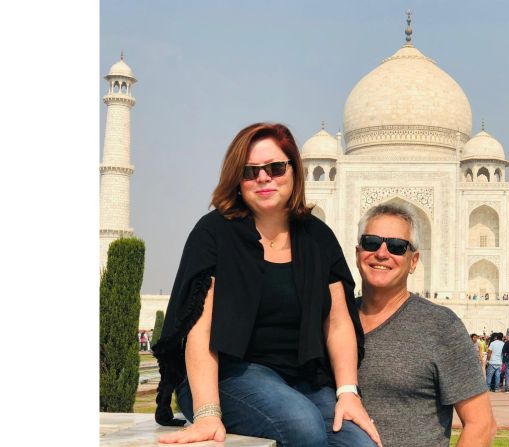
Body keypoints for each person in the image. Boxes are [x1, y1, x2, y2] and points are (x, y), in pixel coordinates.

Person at [153, 123, 380, 446]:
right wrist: (207, 413)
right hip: (226, 375)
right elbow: (198, 328)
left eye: (275, 168)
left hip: (301, 378)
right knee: (302, 426)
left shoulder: (317, 237)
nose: (263, 178)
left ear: (294, 171)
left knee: (361, 444)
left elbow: (339, 321)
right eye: (250, 171)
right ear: (237, 179)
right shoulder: (215, 233)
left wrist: (347, 393)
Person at [354, 204, 496, 446]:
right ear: (357, 253)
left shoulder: (440, 326)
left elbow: (482, 425)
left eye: (397, 247)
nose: (382, 253)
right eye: (371, 242)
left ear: (413, 261)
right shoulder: (334, 318)